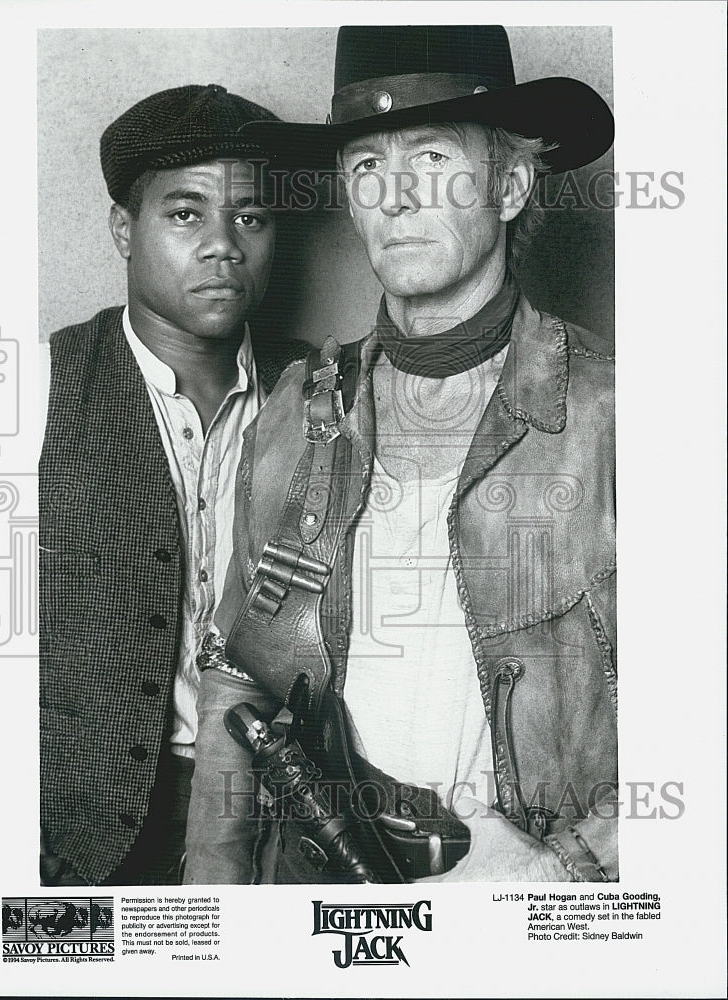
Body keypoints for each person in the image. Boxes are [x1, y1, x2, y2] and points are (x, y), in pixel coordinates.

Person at [184, 25, 617, 884]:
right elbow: (239, 679)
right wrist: (215, 911)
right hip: (321, 888)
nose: (395, 198)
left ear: (511, 184)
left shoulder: (618, 413)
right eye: (367, 168)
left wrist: (561, 869)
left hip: (520, 899)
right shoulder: (298, 408)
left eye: (429, 158)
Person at [39, 83, 308, 886]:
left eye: (251, 217)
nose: (224, 245)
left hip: (278, 822)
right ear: (124, 227)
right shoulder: (38, 389)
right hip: (75, 830)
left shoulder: (324, 393)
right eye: (185, 214)